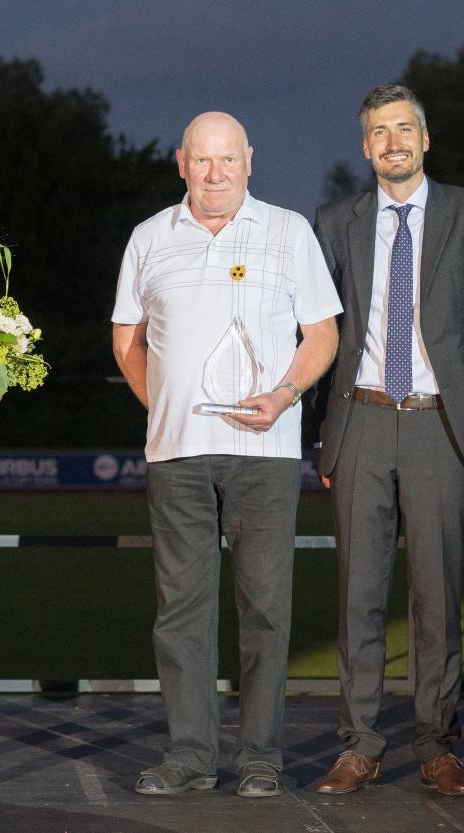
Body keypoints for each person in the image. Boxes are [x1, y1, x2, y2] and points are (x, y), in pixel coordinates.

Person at [112, 112, 341, 798]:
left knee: (265, 608)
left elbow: (322, 333)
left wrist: (286, 393)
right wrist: (165, 404)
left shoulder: (288, 231)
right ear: (182, 162)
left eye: (228, 160)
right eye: (202, 161)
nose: (215, 174)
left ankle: (261, 758)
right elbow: (127, 337)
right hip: (176, 454)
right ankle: (188, 755)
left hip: (264, 451)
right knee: (180, 611)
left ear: (250, 160)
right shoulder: (150, 237)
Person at [312, 85, 464, 798]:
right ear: (365, 147)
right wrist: (325, 440)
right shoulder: (335, 221)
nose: (392, 141)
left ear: (425, 139)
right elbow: (318, 333)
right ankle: (358, 746)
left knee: (438, 594)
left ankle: (437, 743)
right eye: (378, 131)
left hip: (441, 426)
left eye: (405, 128)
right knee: (358, 596)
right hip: (361, 422)